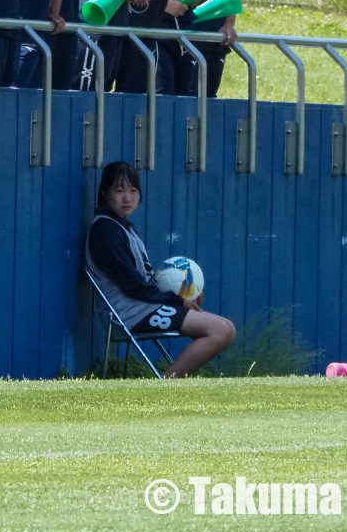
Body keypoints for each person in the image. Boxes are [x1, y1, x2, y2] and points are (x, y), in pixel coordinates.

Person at [85, 161, 235, 377]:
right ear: (104, 193)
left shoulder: (122, 228)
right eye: (119, 190)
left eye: (133, 190)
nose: (127, 197)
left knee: (226, 328)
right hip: (129, 314)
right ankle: (164, 384)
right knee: (220, 330)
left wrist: (185, 297)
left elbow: (143, 282)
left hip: (143, 307)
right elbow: (133, 286)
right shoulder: (105, 231)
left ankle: (169, 381)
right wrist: (177, 301)